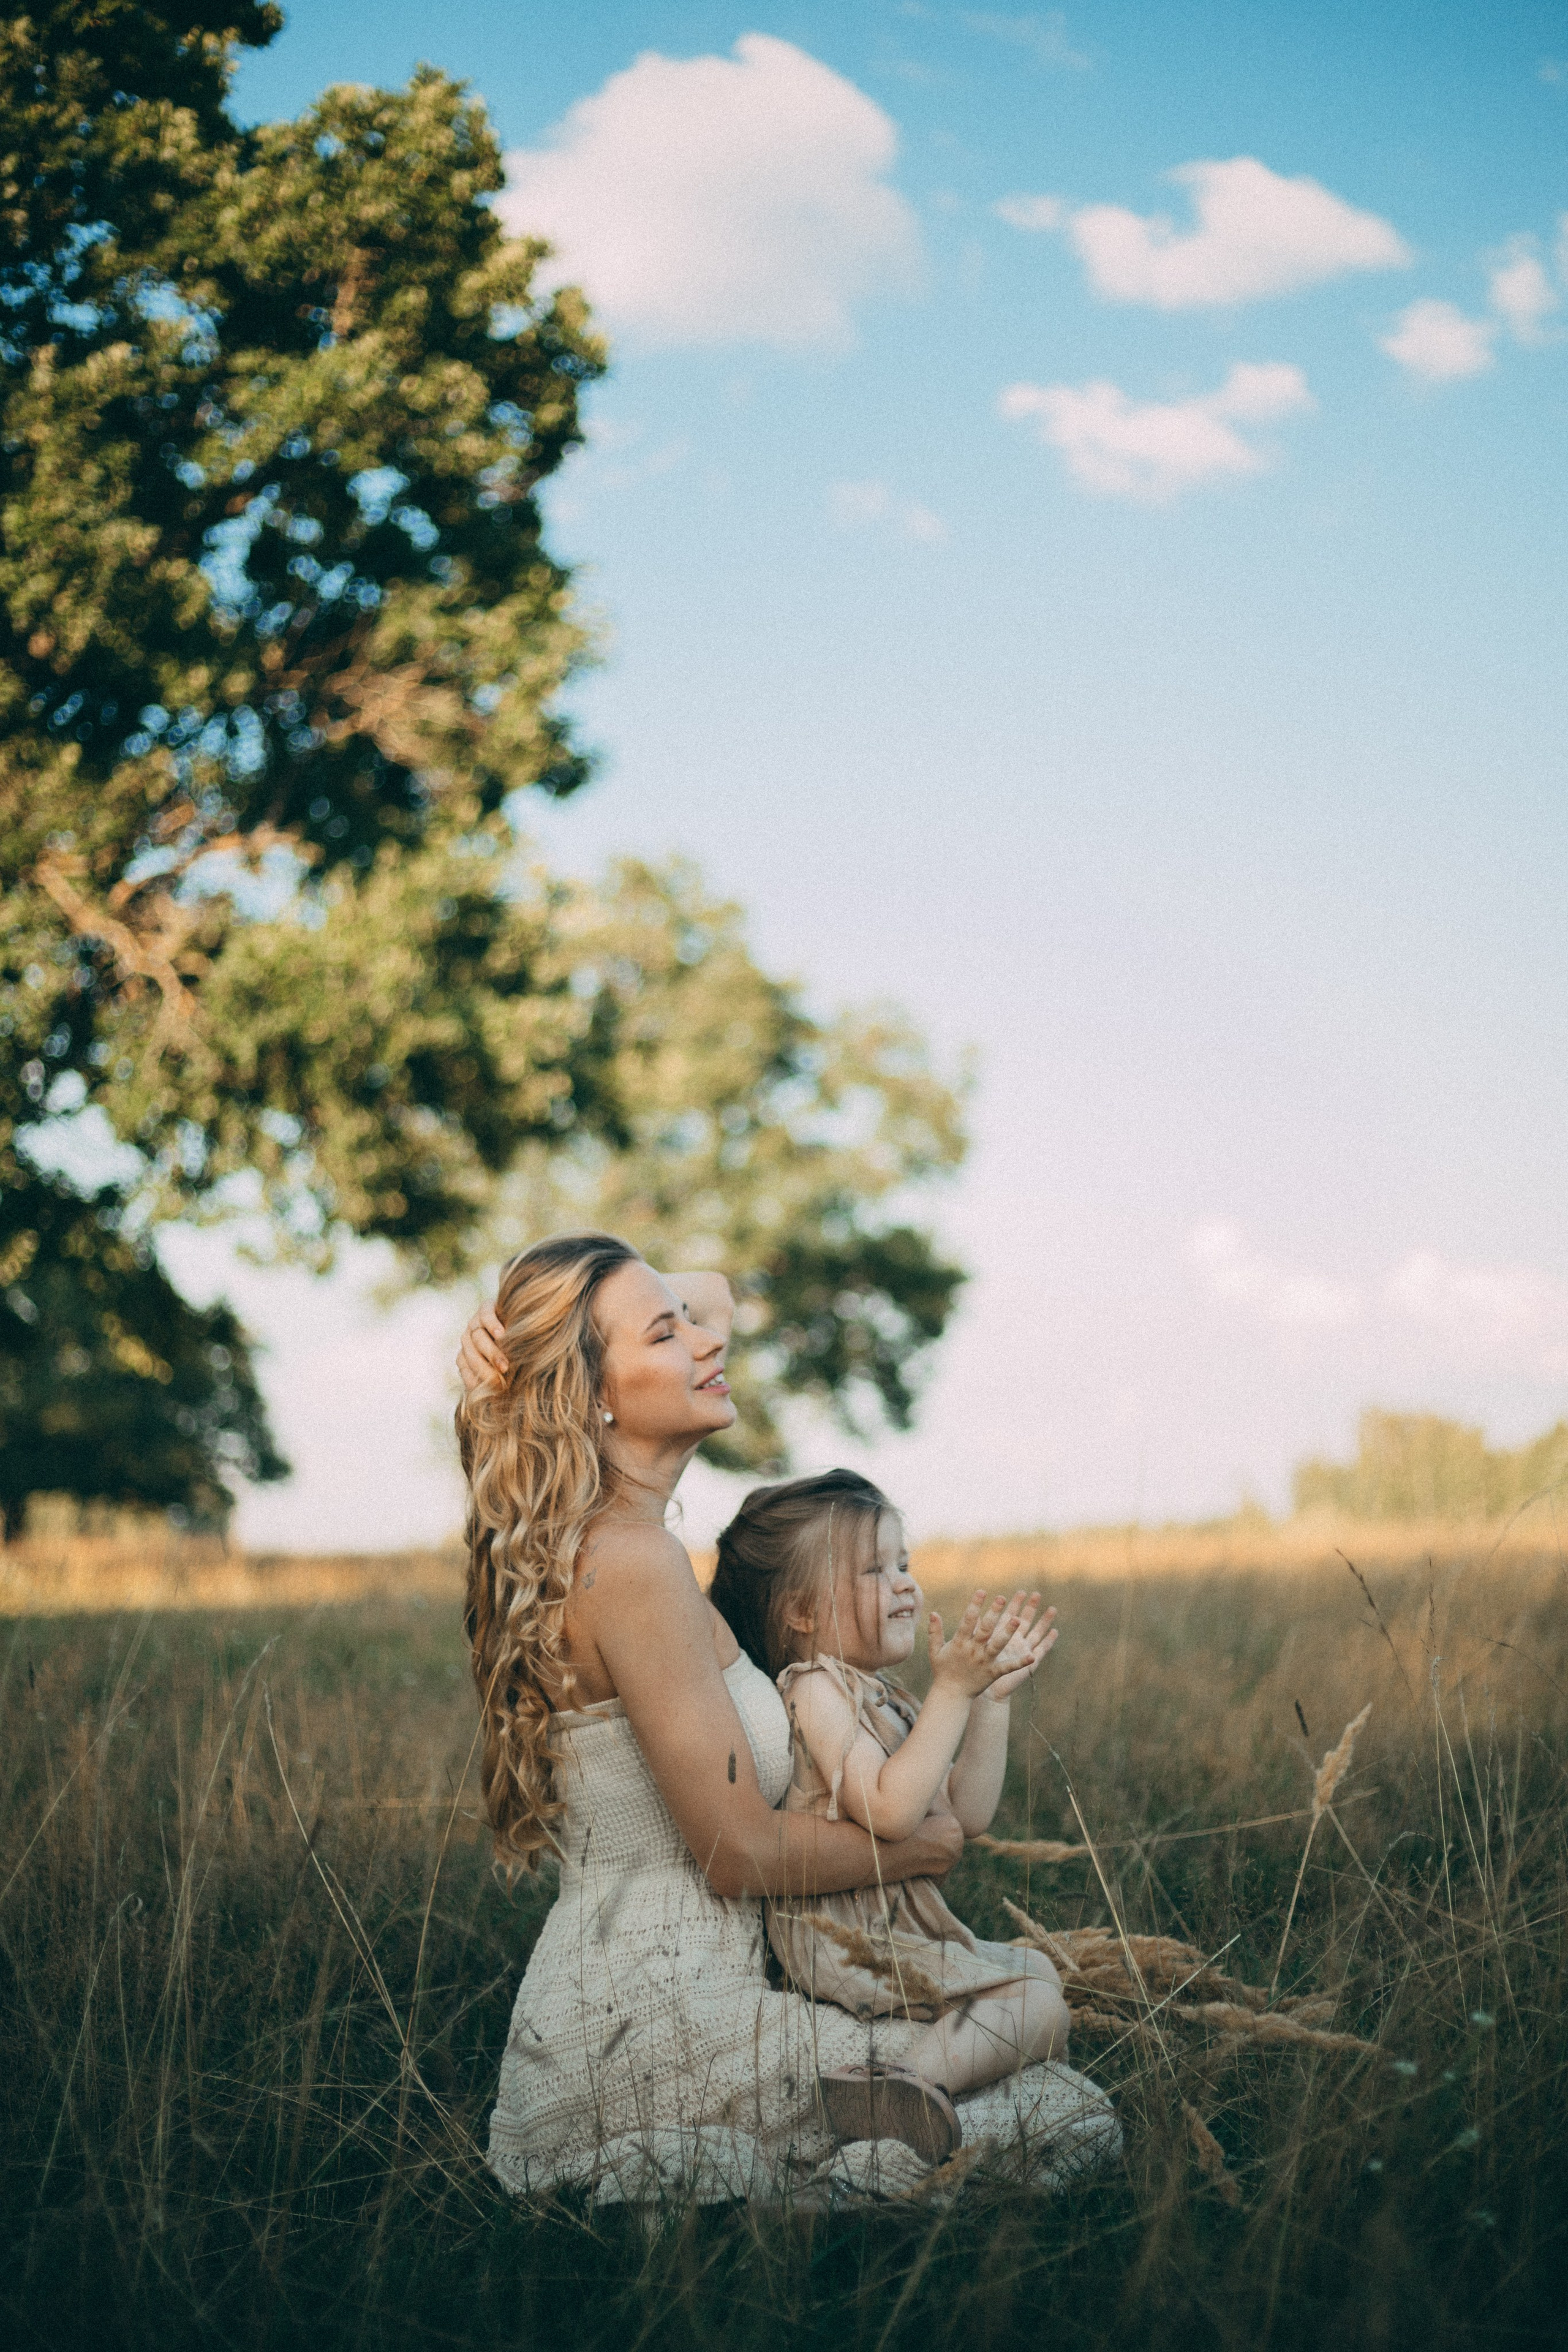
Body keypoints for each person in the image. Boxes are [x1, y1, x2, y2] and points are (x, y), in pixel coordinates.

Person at [455, 1233, 1118, 2202]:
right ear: (592, 1393)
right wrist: (921, 1848)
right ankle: (788, 2204)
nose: (707, 1340)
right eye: (665, 1335)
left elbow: (715, 1293)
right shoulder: (632, 1562)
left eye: (685, 1325)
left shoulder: (602, 1545)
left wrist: (530, 1332)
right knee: (1064, 2115)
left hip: (665, 1995)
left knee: (1012, 2071)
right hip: (660, 2015)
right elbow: (736, 1855)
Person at [708, 1471, 1071, 2148]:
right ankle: (897, 2088)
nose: (904, 1583)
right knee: (1038, 2003)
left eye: (903, 1563)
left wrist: (988, 1701)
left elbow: (964, 1815)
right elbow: (892, 1814)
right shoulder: (813, 1688)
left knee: (1040, 1975)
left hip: (892, 1934)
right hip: (844, 1939)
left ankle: (907, 2082)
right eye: (874, 1570)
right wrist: (950, 1692)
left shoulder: (887, 1696)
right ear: (801, 1614)